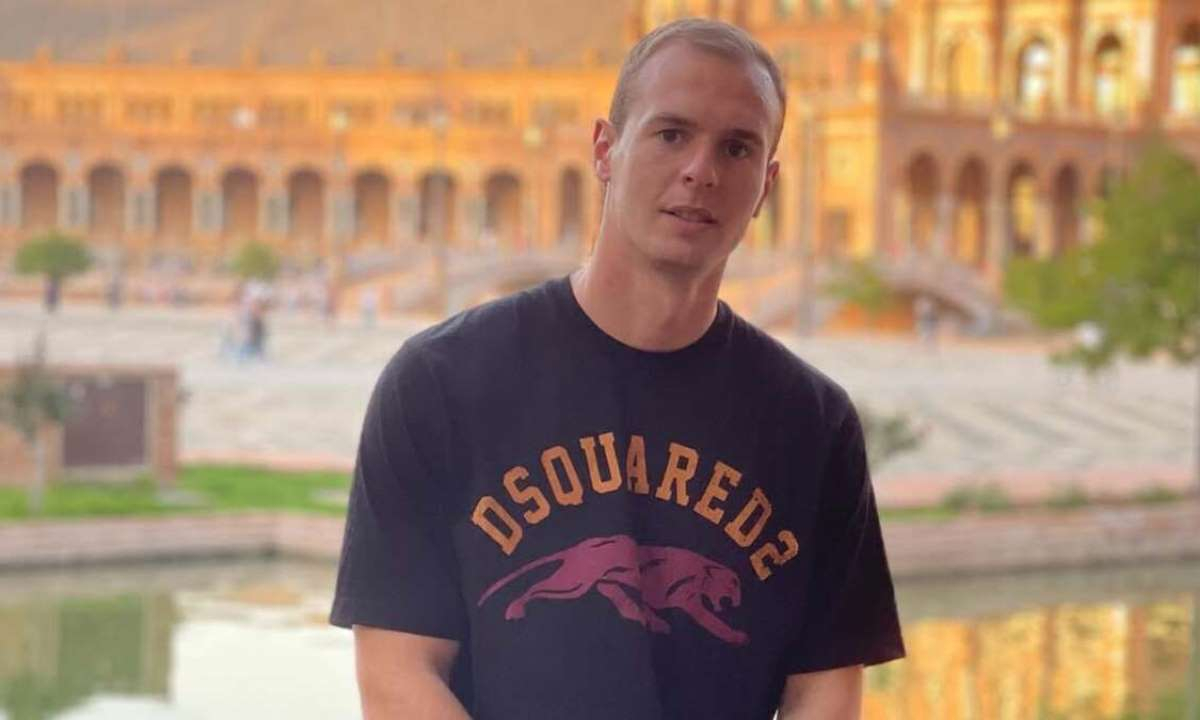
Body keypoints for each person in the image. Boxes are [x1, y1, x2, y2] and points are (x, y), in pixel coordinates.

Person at [330, 18, 905, 719]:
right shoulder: (441, 383)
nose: (701, 170)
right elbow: (397, 674)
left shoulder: (812, 423)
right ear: (605, 149)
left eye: (737, 147)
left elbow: (825, 691)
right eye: (672, 134)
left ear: (766, 185)